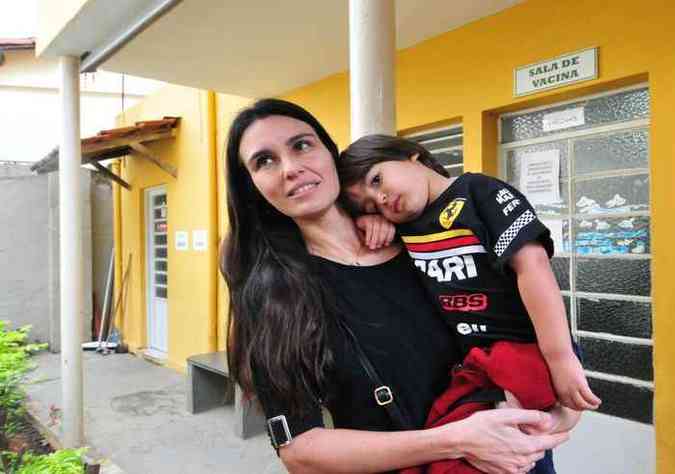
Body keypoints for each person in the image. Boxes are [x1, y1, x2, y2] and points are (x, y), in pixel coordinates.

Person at [220, 98, 571, 474]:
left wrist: (557, 412)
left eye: (301, 145)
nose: (290, 168)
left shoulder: (424, 239)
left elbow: (526, 323)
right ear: (252, 186)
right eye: (264, 161)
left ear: (329, 153)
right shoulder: (273, 291)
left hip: (516, 457)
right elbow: (301, 451)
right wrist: (458, 439)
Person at [339, 135, 601, 472]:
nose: (383, 199)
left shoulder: (479, 192)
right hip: (476, 367)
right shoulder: (404, 228)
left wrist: (560, 357)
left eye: (377, 180)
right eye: (372, 204)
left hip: (529, 350)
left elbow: (532, 266)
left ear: (411, 154)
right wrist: (366, 220)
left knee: (514, 450)